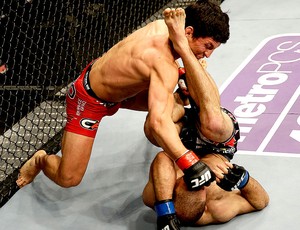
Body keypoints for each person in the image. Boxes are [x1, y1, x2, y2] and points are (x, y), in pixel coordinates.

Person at [16, 1, 230, 189]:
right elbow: (157, 123)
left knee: (179, 98)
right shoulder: (163, 64)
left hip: (125, 92)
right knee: (68, 178)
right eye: (208, 46)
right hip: (88, 100)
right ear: (189, 32)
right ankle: (41, 161)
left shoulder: (165, 25)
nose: (208, 54)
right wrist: (190, 162)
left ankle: (181, 97)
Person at [142, 151, 269, 228]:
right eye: (200, 187)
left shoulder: (156, 194)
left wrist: (165, 213)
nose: (203, 182)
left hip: (182, 142)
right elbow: (261, 201)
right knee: (212, 120)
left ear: (174, 191)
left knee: (153, 125)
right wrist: (244, 180)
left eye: (189, 183)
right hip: (217, 145)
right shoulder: (216, 207)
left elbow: (162, 157)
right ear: (205, 203)